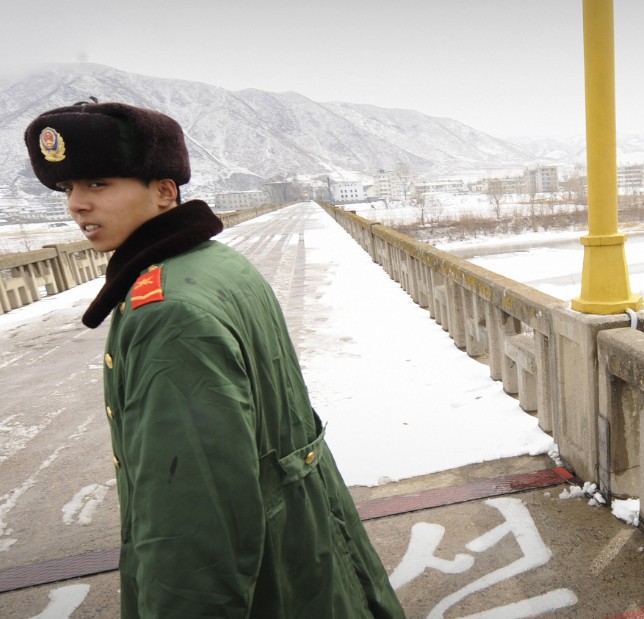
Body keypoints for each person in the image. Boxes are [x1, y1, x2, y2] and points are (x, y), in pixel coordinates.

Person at [24, 101, 406, 619]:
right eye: (67, 189)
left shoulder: (168, 312)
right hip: (304, 546)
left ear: (164, 191)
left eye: (97, 184)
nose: (77, 205)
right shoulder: (214, 263)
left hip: (266, 583)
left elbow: (193, 519)